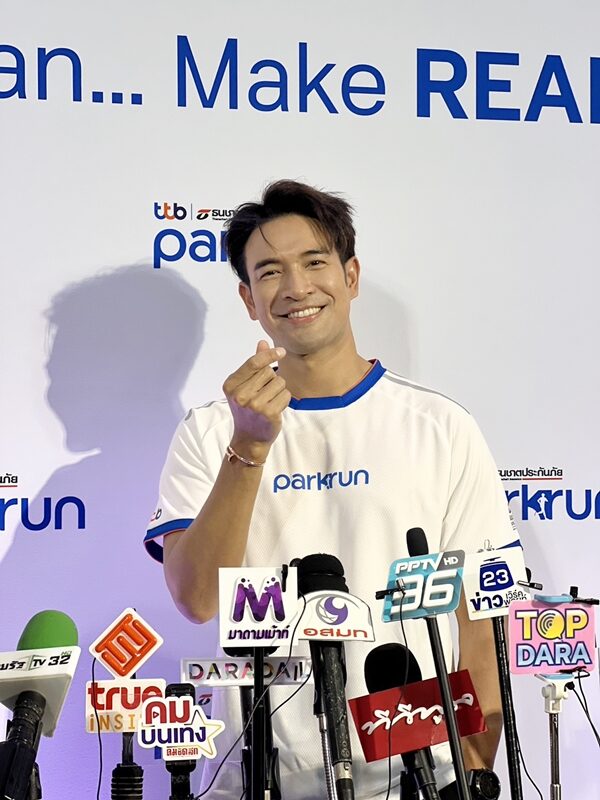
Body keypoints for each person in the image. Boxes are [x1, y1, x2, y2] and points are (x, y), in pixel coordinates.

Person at [145, 180, 519, 799]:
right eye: (270, 272)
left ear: (351, 276)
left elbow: (481, 617)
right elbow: (198, 598)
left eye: (314, 262)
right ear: (249, 299)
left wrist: (473, 769)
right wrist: (250, 447)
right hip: (261, 780)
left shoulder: (440, 425)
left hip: (421, 775)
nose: (296, 287)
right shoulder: (211, 431)